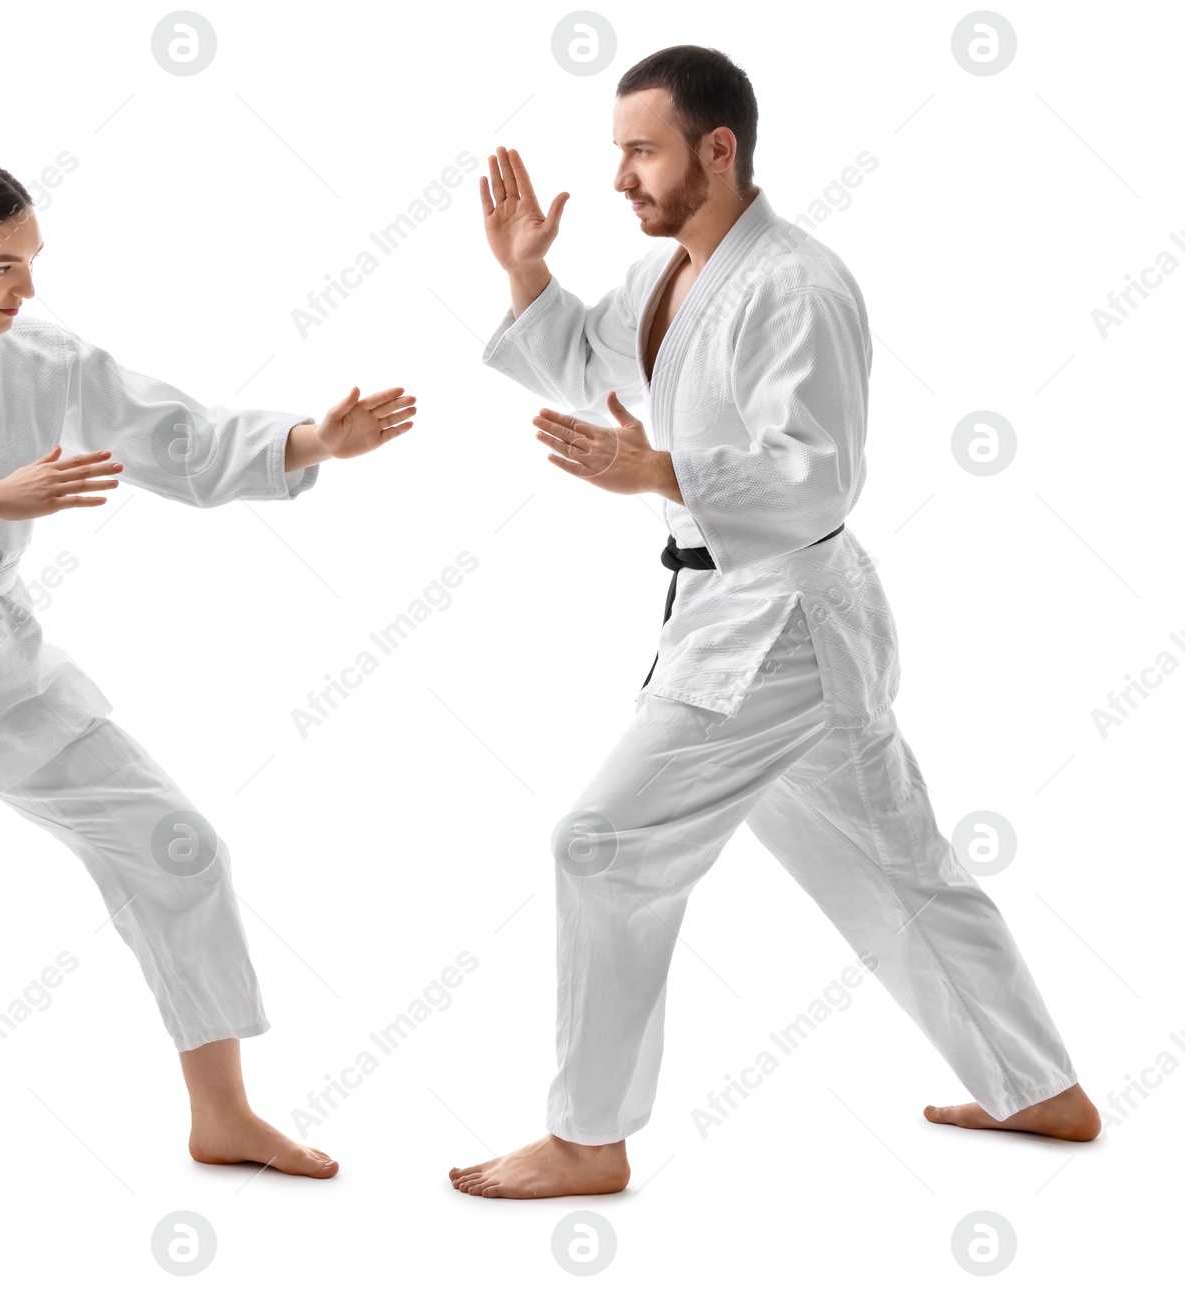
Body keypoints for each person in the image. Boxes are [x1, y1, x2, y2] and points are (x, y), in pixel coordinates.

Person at [450, 46, 1098, 1201]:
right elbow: (587, 358)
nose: (620, 180)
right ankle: (1034, 1083)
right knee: (896, 859)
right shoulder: (676, 275)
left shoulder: (795, 283)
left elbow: (817, 474)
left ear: (718, 148)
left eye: (640, 152)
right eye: (616, 153)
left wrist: (658, 465)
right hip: (743, 609)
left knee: (600, 843)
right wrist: (523, 279)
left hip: (779, 618)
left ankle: (588, 1134)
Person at [0, 154, 415, 1202]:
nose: (25, 291)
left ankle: (223, 1111)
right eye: (0, 267)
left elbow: (178, 439)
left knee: (178, 845)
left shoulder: (44, 354)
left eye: (33, 265)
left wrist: (310, 438)